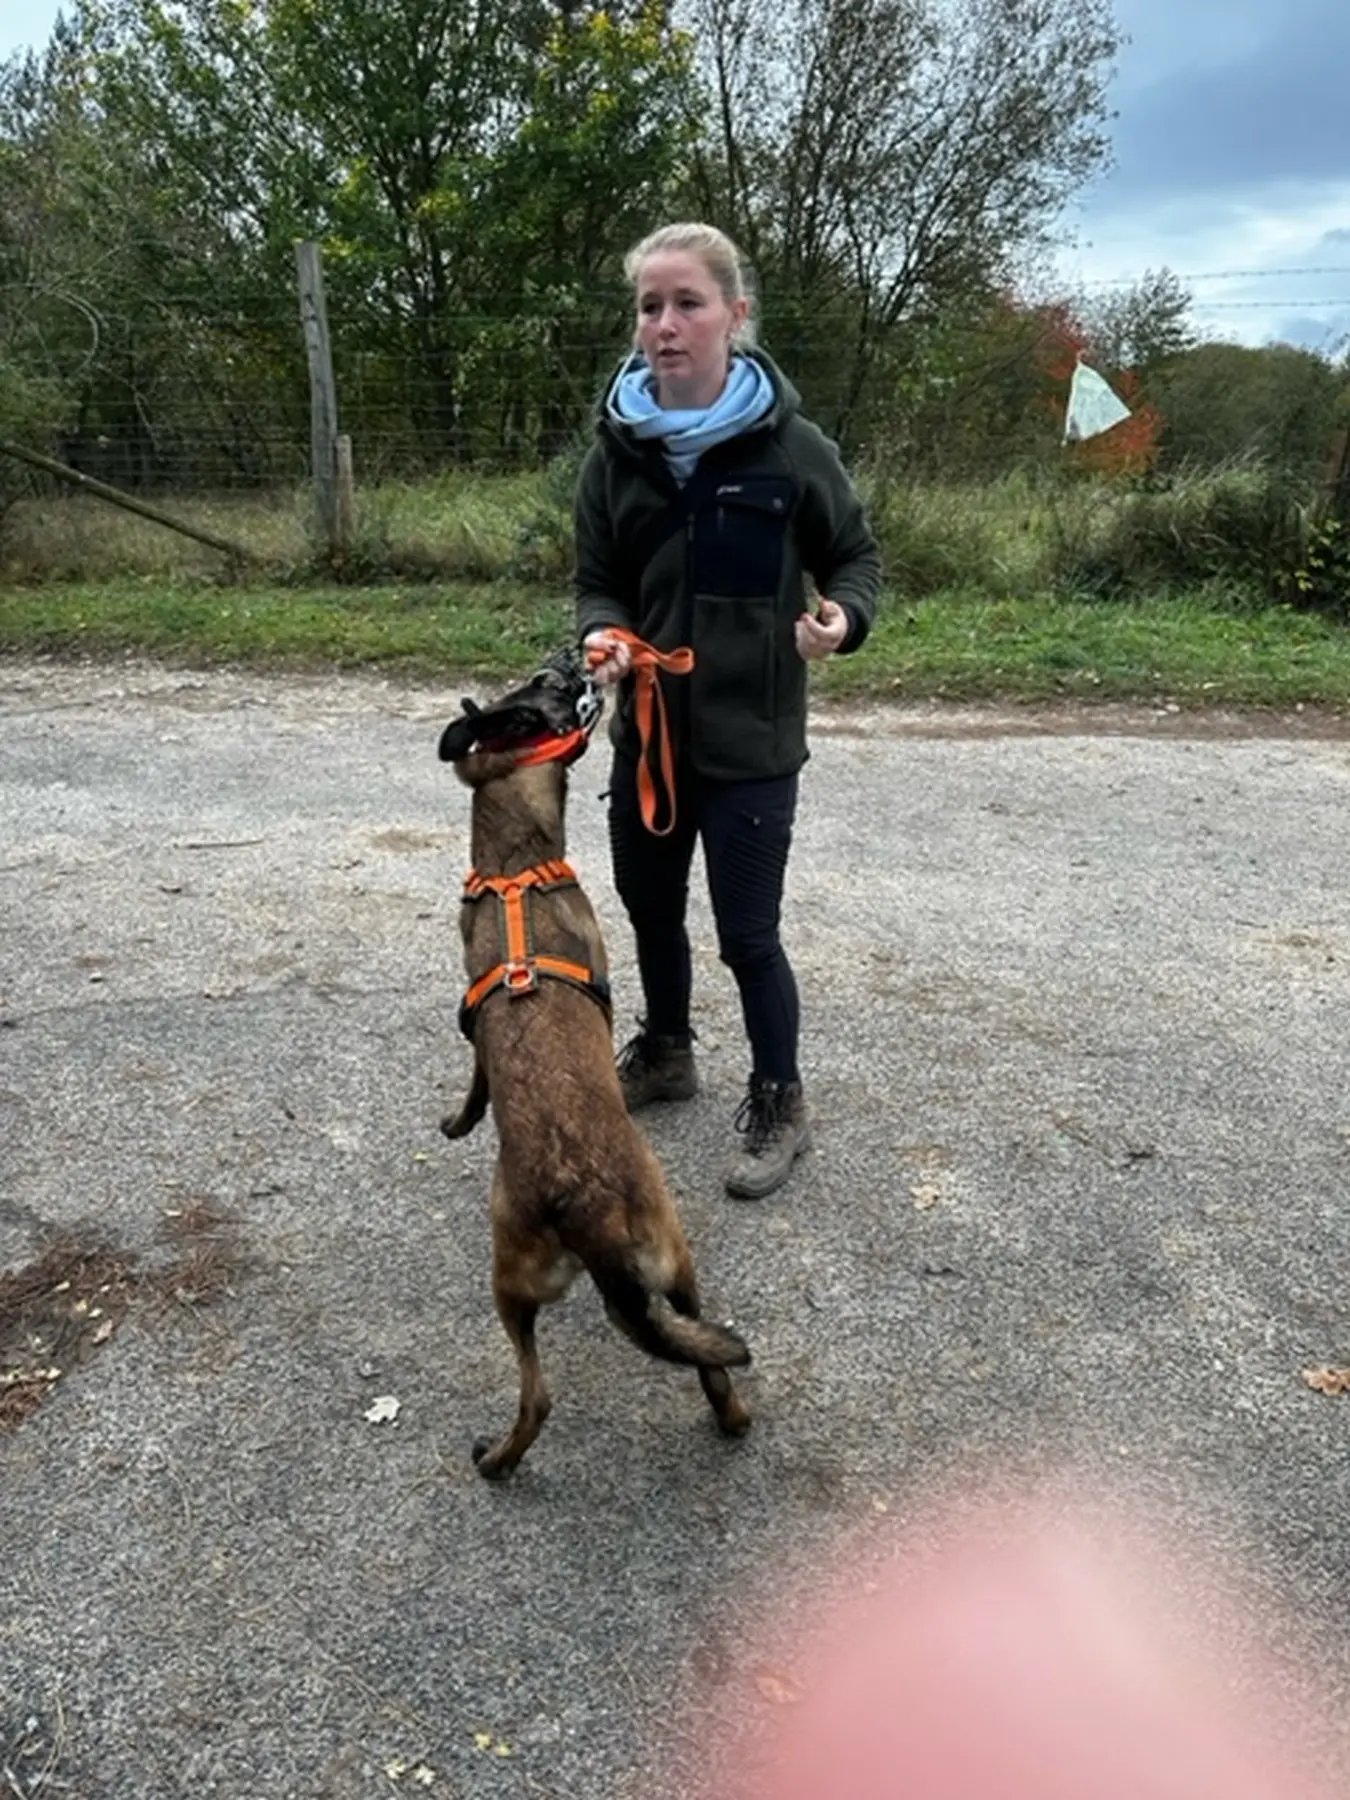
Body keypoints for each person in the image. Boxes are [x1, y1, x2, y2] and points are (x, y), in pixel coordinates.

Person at [574, 221, 881, 1200]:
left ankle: (779, 1095)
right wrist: (607, 634)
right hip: (651, 741)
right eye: (650, 306)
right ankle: (668, 1052)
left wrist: (844, 618)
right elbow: (598, 581)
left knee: (749, 935)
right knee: (650, 909)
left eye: (687, 303)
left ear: (734, 317)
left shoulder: (793, 450)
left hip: (754, 742)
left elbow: (856, 558)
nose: (665, 324)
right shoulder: (615, 457)